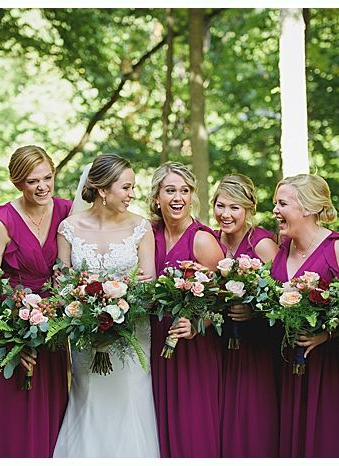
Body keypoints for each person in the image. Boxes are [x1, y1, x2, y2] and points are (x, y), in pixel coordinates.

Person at [51, 154, 160, 457]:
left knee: (129, 401)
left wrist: (124, 308)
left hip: (131, 336)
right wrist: (85, 314)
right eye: (125, 187)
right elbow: (61, 285)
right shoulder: (68, 228)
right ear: (102, 190)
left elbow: (148, 287)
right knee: (89, 401)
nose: (132, 195)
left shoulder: (141, 228)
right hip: (86, 338)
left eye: (132, 187)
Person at [0, 145, 72, 457]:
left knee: (55, 407)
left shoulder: (67, 211)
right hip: (14, 331)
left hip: (55, 329)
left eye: (48, 177)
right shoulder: (0, 221)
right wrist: (16, 334)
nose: (43, 186)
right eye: (33, 181)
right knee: (18, 412)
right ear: (18, 182)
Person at [270, 174, 339, 457]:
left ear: (308, 209)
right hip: (289, 367)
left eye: (282, 204)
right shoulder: (283, 248)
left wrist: (328, 332)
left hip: (332, 369)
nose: (275, 210)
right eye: (275, 203)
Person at [147, 162, 226, 457]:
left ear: (192, 196)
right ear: (157, 197)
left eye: (184, 190)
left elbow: (222, 300)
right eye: (170, 190)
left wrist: (196, 325)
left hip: (194, 348)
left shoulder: (202, 239)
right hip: (155, 341)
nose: (177, 197)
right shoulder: (148, 235)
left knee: (192, 430)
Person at [210, 174, 279, 457]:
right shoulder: (211, 241)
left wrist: (253, 312)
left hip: (255, 348)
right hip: (218, 346)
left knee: (251, 420)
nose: (226, 214)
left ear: (249, 208)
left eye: (234, 207)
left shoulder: (262, 244)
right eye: (220, 205)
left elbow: (280, 296)